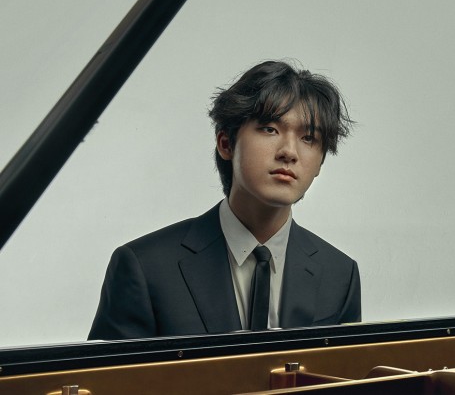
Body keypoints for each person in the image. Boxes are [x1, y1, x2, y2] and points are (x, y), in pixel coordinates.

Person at [88, 61, 360, 340]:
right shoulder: (145, 267)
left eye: (308, 137)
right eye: (269, 129)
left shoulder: (340, 274)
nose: (289, 152)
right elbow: (108, 383)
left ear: (320, 164)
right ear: (226, 144)